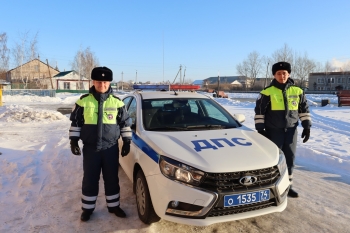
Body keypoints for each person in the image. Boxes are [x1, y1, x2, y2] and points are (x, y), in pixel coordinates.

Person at [69, 66, 132, 221]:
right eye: (98, 81)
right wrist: (73, 141)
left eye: (105, 82)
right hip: (91, 149)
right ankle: (87, 209)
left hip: (110, 148)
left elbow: (125, 124)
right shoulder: (83, 101)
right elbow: (76, 123)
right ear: (93, 82)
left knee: (112, 178)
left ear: (109, 83)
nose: (101, 85)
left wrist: (127, 142)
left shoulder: (117, 103)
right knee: (90, 178)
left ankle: (114, 206)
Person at [254, 61, 311, 198]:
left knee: (290, 159)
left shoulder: (298, 91)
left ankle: (288, 186)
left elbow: (303, 110)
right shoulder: (266, 92)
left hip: (291, 131)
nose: (282, 76)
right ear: (274, 75)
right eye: (278, 73)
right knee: (273, 160)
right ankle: (271, 187)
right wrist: (261, 130)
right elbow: (259, 112)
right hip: (273, 132)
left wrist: (307, 127)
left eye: (284, 73)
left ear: (289, 74)